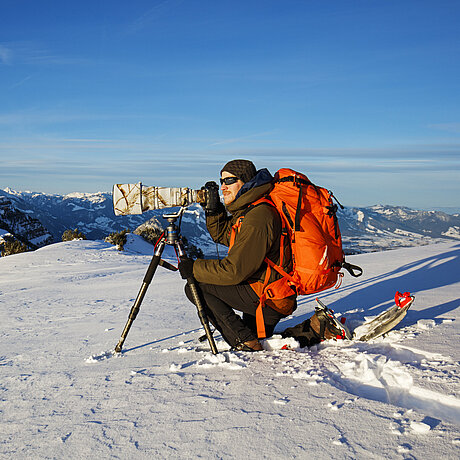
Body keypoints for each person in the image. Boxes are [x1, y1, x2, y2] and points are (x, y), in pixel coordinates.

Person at [178, 159, 297, 351]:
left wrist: (193, 268)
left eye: (229, 180)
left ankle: (244, 341)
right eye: (221, 181)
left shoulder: (258, 216)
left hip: (268, 296)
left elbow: (234, 271)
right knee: (262, 335)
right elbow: (225, 235)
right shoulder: (251, 209)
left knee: (195, 286)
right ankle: (314, 329)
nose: (223, 186)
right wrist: (214, 210)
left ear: (246, 181)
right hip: (268, 289)